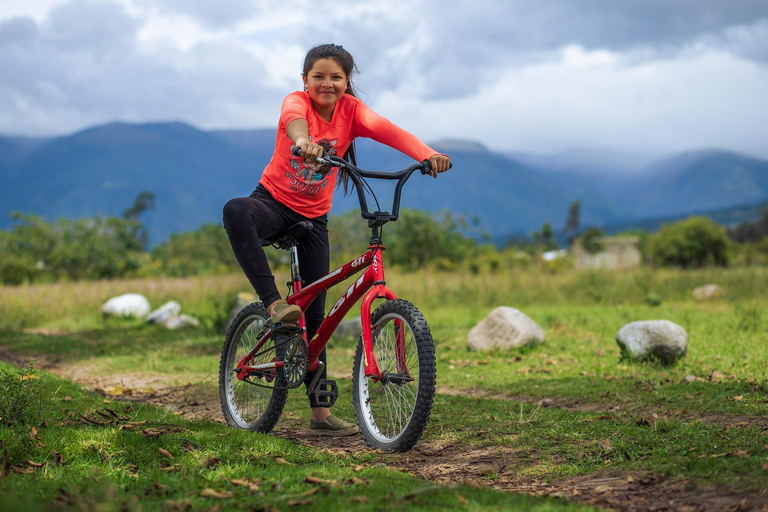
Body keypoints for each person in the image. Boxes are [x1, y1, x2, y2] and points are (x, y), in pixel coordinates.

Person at [222, 44, 451, 437]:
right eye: (318, 77)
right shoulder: (296, 103)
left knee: (317, 320)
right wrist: (305, 141)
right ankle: (274, 304)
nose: (326, 84)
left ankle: (320, 418)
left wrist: (428, 154)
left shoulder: (352, 112)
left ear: (347, 83)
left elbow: (392, 132)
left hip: (313, 220)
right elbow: (294, 122)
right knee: (235, 211)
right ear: (305, 80)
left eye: (336, 78)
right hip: (273, 205)